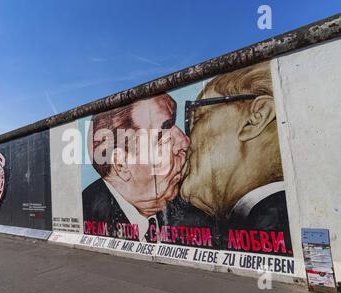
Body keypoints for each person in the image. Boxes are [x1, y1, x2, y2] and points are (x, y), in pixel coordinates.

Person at [179, 62, 292, 254]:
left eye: (197, 118)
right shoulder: (262, 219)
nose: (185, 140)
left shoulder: (274, 222)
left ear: (255, 118)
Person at [82, 93, 189, 242]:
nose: (184, 142)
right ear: (121, 164)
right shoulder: (86, 214)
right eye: (163, 138)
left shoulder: (192, 214)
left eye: (174, 125)